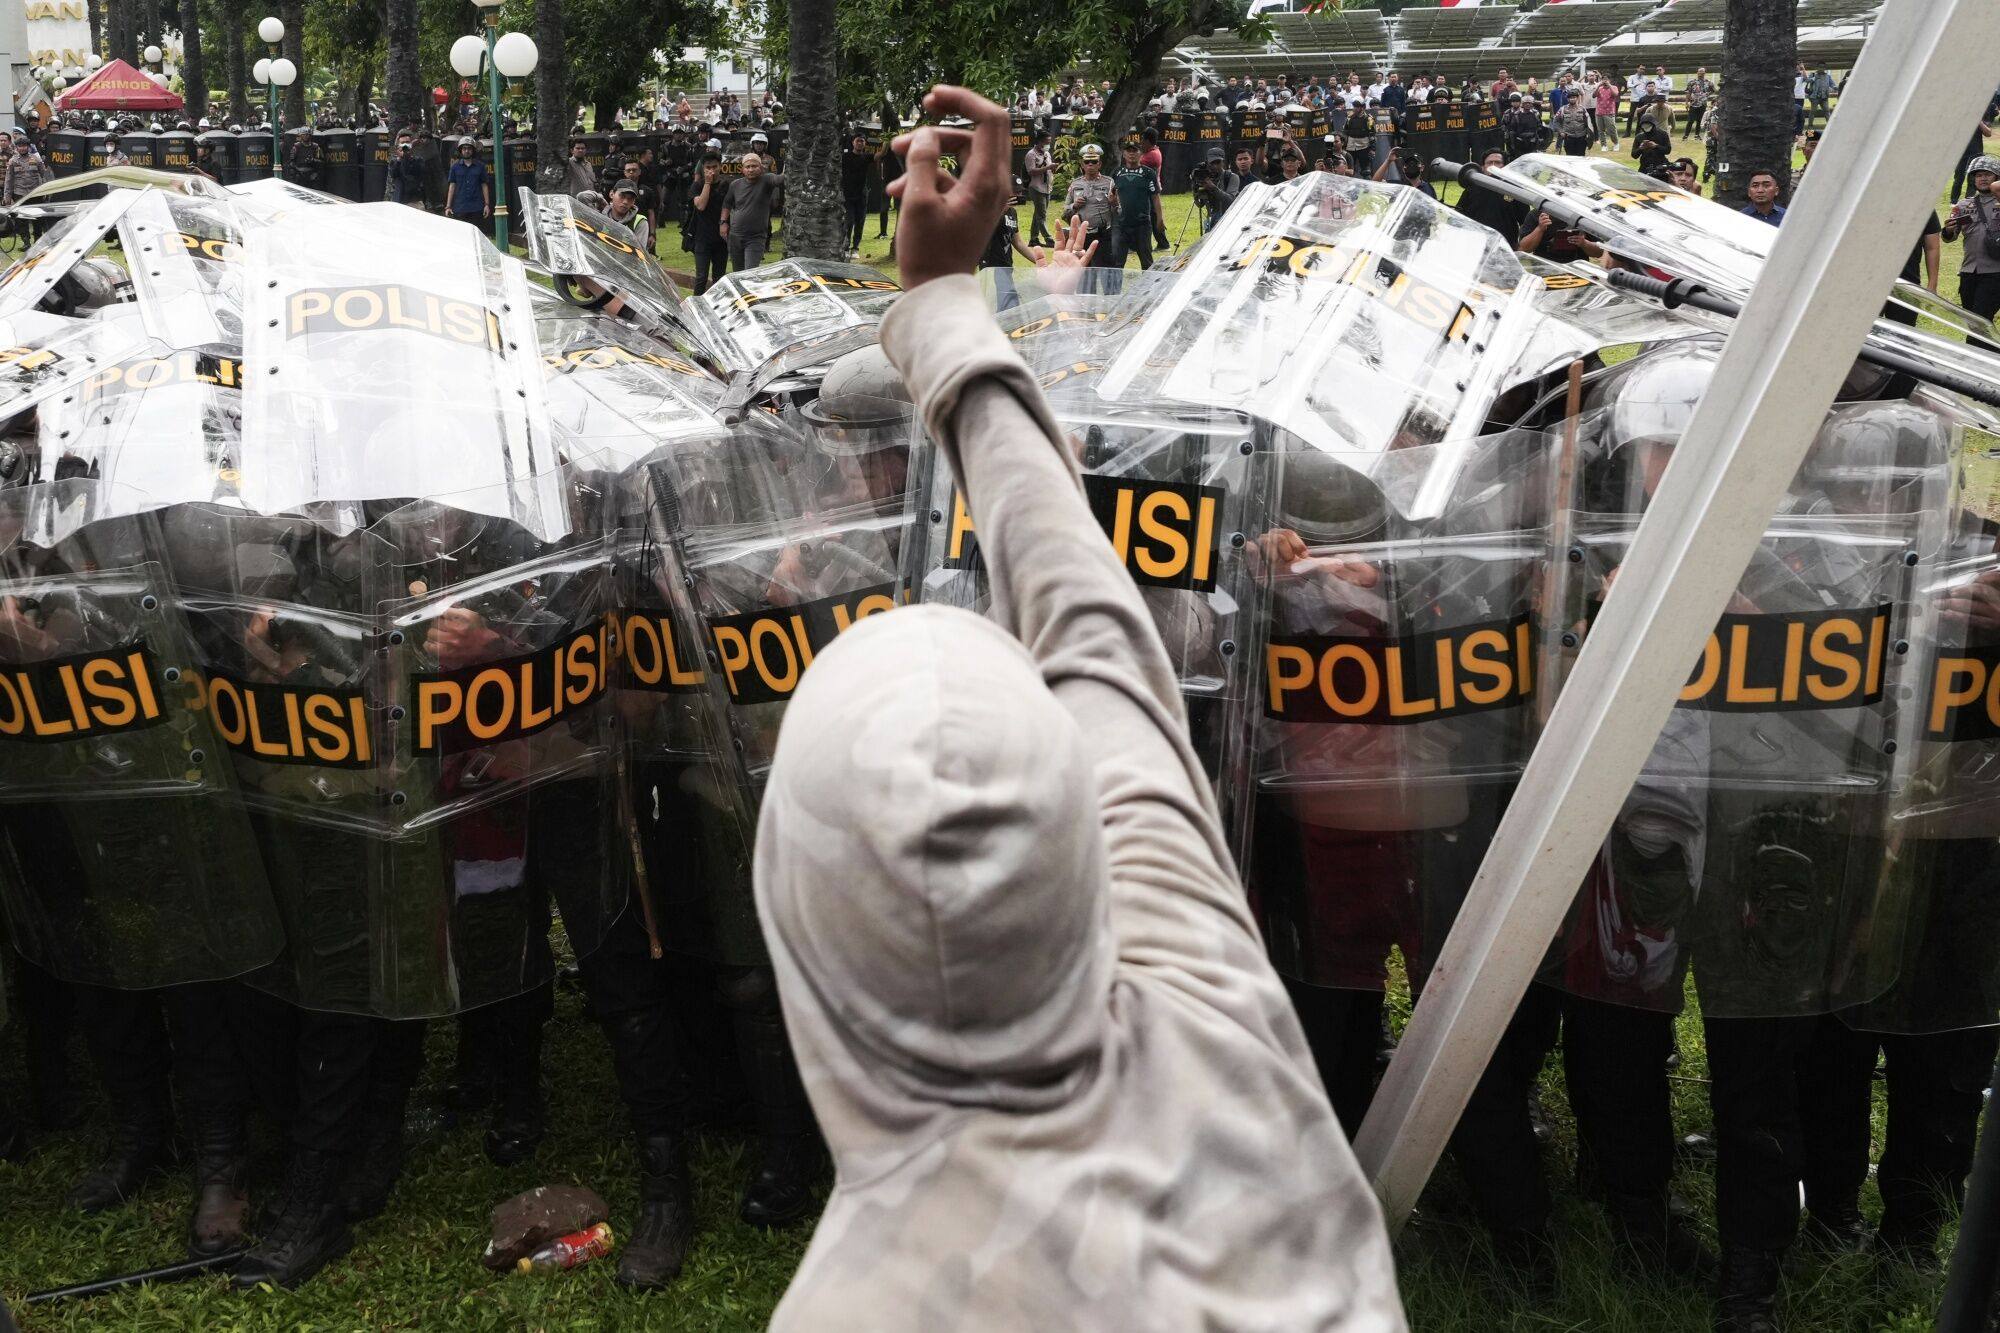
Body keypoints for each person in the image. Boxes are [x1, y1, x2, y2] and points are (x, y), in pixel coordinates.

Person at [759, 81, 1407, 1332]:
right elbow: (1091, 613)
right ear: (1085, 827)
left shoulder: (858, 1304)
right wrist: (948, 310)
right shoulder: (1211, 996)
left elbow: (1089, 631)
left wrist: (941, 301)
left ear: (802, 913)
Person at [1943, 156, 2000, 322]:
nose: (1982, 178)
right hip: (1968, 272)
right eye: (1978, 175)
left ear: (1996, 177)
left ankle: (1976, 348)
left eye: (1987, 174)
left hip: (1994, 273)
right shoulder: (1963, 205)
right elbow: (1949, 238)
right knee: (1972, 323)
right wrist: (1948, 230)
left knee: (1981, 320)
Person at [720, 150, 784, 272]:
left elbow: (780, 179)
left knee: (750, 272)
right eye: (747, 167)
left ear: (760, 168)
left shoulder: (767, 180)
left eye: (754, 166)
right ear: (742, 169)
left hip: (755, 238)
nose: (751, 169)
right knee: (737, 273)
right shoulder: (735, 184)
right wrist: (723, 222)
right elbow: (727, 204)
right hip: (735, 236)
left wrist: (790, 165)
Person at [1109, 139, 1164, 272]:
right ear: (1123, 154)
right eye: (1128, 151)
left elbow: (1155, 197)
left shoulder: (1148, 173)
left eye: (1135, 150)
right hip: (1120, 224)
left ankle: (1148, 291)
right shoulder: (1116, 173)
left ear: (1141, 153)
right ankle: (1114, 293)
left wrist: (1160, 219)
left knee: (1146, 261)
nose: (1132, 154)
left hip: (1142, 223)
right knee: (1117, 261)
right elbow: (1111, 195)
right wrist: (1112, 203)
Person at [1062, 142, 1117, 269]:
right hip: (1081, 236)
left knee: (1106, 271)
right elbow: (1065, 211)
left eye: (1094, 161)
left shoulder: (1109, 183)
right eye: (1087, 162)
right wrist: (1074, 206)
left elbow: (1119, 210)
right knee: (1083, 272)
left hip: (1103, 235)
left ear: (1100, 164)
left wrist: (1114, 203)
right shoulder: (1075, 184)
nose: (1090, 164)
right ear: (1082, 164)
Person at [1457, 148, 1527, 238]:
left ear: (1505, 166)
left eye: (1498, 162)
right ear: (1482, 167)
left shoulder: (1514, 190)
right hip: (1477, 241)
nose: (1493, 166)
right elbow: (1459, 215)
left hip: (1505, 244)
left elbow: (1525, 222)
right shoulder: (1472, 188)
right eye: (1489, 163)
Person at [687, 151, 727, 294]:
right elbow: (701, 205)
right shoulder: (697, 186)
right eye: (708, 168)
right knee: (701, 277)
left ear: (720, 167)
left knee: (719, 278)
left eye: (714, 167)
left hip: (721, 239)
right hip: (702, 238)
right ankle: (697, 305)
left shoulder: (726, 185)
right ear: (703, 169)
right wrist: (708, 184)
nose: (711, 171)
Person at [444, 139, 492, 235]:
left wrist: (487, 205)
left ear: (473, 150)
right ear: (461, 150)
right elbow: (452, 186)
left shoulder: (480, 166)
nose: (467, 151)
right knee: (461, 235)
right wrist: (448, 206)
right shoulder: (455, 167)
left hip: (477, 207)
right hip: (460, 207)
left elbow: (484, 185)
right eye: (464, 148)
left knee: (476, 235)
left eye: (469, 148)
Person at [841, 132, 871, 258]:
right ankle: (846, 248)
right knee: (849, 221)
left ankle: (855, 249)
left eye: (862, 141)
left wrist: (887, 140)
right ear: (853, 142)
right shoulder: (845, 157)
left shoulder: (867, 157)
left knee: (860, 222)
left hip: (862, 196)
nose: (860, 143)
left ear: (865, 143)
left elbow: (881, 155)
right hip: (848, 195)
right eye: (858, 140)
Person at [1023, 130, 1054, 246]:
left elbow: (1048, 168)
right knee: (1042, 215)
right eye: (1047, 142)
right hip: (1036, 187)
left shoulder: (1047, 153)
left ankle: (1033, 239)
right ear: (1040, 141)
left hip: (1047, 187)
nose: (1048, 144)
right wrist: (1048, 168)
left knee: (1038, 214)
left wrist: (1052, 168)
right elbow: (1031, 171)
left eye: (1049, 142)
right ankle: (1049, 239)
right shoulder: (1031, 154)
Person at [607, 181, 653, 252]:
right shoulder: (598, 215)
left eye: (630, 198)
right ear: (611, 194)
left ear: (634, 201)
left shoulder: (639, 222)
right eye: (622, 196)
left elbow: (638, 254)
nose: (625, 202)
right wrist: (595, 195)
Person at [389, 139, 428, 207]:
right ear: (397, 151)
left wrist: (409, 158)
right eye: (402, 150)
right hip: (400, 198)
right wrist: (399, 160)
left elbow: (420, 172)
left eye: (407, 149)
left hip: (414, 198)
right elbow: (393, 174)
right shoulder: (395, 162)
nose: (405, 152)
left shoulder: (418, 160)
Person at [1595, 71, 1621, 150]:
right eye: (1603, 79)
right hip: (1599, 112)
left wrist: (1609, 85)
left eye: (1606, 79)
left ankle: (1616, 143)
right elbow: (1594, 95)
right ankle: (1604, 145)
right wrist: (1598, 85)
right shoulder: (1599, 88)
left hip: (1609, 112)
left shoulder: (1614, 87)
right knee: (1601, 130)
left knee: (1611, 129)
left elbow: (1615, 94)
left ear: (1610, 80)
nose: (1605, 81)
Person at [1684, 69, 1714, 138]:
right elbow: (1688, 92)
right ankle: (1686, 135)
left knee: (1699, 120)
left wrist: (1707, 94)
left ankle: (1697, 135)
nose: (1701, 73)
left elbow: (1713, 90)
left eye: (1702, 72)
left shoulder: (1708, 82)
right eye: (1700, 72)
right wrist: (1686, 103)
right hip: (1693, 104)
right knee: (1690, 120)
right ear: (1697, 73)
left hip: (1703, 104)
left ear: (1705, 73)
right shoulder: (1692, 82)